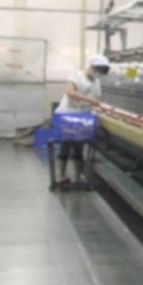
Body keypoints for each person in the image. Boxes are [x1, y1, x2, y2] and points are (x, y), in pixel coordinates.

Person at [54, 54, 110, 187]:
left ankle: (77, 177)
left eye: (102, 72)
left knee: (79, 147)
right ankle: (61, 176)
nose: (99, 74)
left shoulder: (96, 82)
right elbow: (70, 92)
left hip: (83, 117)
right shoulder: (76, 76)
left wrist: (98, 111)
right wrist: (89, 100)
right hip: (68, 115)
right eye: (98, 70)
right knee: (66, 146)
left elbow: (97, 99)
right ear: (92, 67)